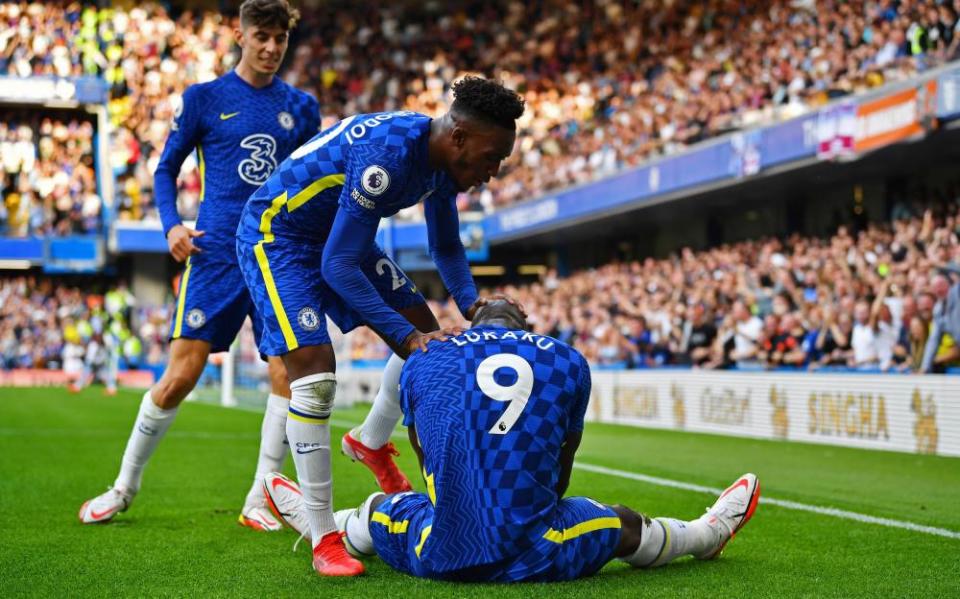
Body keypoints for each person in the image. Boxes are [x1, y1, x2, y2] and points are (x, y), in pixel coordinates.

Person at [235, 76, 526, 576]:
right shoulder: (387, 158)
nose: (493, 172)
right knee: (317, 378)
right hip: (278, 236)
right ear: (458, 135)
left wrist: (473, 305)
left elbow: (447, 246)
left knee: (428, 338)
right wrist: (408, 338)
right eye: (491, 155)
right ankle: (324, 537)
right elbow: (338, 267)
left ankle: (369, 441)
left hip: (335, 238)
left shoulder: (439, 162)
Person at [262, 301, 760, 582]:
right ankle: (704, 535)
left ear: (474, 323)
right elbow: (560, 475)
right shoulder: (566, 359)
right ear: (524, 324)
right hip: (539, 548)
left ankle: (321, 522)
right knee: (624, 522)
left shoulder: (428, 357)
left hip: (441, 550)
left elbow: (430, 461)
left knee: (379, 510)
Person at [78, 0, 320, 533]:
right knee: (180, 377)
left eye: (280, 37)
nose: (271, 47)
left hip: (275, 254)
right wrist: (172, 225)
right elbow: (165, 169)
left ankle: (261, 497)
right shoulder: (205, 99)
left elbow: (311, 182)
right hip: (214, 257)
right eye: (262, 35)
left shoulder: (301, 108)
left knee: (286, 371)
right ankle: (123, 487)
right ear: (240, 34)